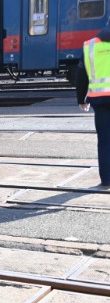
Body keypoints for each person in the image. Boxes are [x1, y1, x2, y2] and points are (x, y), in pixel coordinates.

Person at [77, 18, 110, 188]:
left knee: (104, 141)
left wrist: (81, 99)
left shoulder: (90, 45)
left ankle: (107, 179)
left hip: (100, 101)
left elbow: (81, 75)